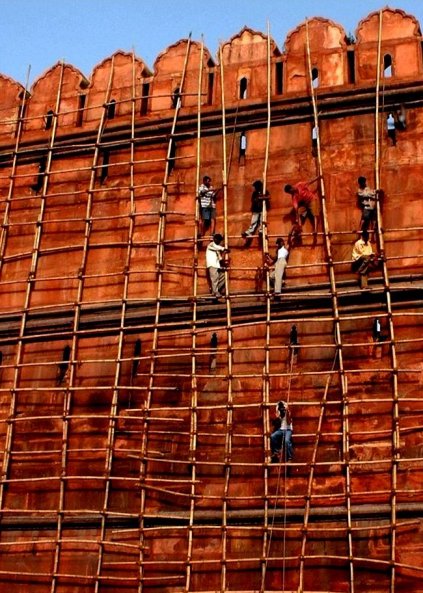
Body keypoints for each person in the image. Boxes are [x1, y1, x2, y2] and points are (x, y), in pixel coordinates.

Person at [284, 176, 319, 244]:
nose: (291, 193)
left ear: (291, 188)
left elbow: (310, 181)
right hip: (305, 204)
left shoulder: (300, 185)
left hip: (312, 200)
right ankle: (299, 227)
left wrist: (318, 178)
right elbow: (296, 208)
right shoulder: (294, 196)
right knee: (299, 213)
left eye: (290, 192)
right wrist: (297, 219)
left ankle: (315, 231)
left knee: (315, 214)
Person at [206, 233, 227, 299]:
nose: (219, 242)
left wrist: (224, 254)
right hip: (212, 265)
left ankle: (214, 291)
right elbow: (218, 247)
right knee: (214, 279)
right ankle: (215, 292)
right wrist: (224, 249)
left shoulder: (217, 249)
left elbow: (220, 258)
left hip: (216, 265)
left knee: (223, 276)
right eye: (218, 240)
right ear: (215, 239)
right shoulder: (211, 244)